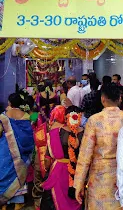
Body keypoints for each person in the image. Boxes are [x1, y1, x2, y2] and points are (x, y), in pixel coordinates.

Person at [74, 83, 123, 210]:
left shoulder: (94, 120)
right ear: (119, 99)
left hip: (99, 179)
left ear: (102, 99)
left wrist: (78, 183)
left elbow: (85, 155)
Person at [40, 105, 84, 210]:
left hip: (58, 171)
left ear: (65, 118)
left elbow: (47, 159)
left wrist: (47, 170)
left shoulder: (55, 133)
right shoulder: (85, 133)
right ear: (79, 117)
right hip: (79, 172)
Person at [0, 91, 34, 209]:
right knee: (19, 174)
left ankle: (4, 202)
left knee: (5, 174)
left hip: (6, 151)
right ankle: (18, 202)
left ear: (9, 102)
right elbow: (29, 137)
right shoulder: (26, 116)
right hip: (21, 154)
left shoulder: (3, 116)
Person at [33, 79, 59, 209]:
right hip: (54, 125)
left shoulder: (39, 96)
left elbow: (35, 109)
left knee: (40, 147)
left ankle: (39, 191)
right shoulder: (56, 96)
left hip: (41, 125)